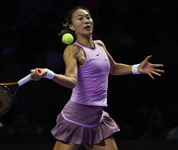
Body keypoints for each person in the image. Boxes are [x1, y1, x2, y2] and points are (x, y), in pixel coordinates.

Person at [30, 6, 164, 150]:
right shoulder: (73, 50)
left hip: (97, 118)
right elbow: (71, 81)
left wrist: (137, 68)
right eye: (80, 18)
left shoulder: (100, 45)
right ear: (71, 26)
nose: (86, 20)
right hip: (76, 117)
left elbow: (114, 68)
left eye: (88, 17)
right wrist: (48, 73)